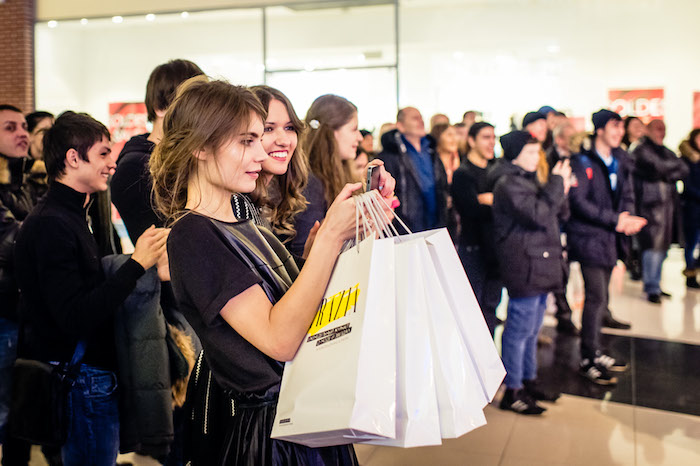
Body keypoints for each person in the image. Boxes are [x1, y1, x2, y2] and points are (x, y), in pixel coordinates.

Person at [150, 78, 363, 465]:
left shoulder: (242, 217)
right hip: (275, 435)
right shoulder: (193, 235)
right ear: (200, 146)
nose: (261, 153)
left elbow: (290, 309)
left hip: (299, 417)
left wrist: (325, 250)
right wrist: (329, 241)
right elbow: (279, 340)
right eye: (246, 141)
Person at [13, 111, 169, 465]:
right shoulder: (52, 224)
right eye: (103, 153)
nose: (112, 163)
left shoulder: (69, 215)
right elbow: (75, 316)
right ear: (73, 158)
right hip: (80, 380)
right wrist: (136, 265)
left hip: (87, 376)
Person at [567, 109, 646, 385]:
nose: (619, 132)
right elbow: (578, 201)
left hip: (611, 238)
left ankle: (596, 351)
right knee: (596, 297)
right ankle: (588, 357)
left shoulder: (621, 160)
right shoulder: (582, 161)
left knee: (601, 298)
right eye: (614, 127)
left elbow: (627, 194)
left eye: (621, 127)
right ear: (599, 129)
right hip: (589, 238)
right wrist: (615, 220)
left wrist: (627, 218)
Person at [493, 130, 570, 415]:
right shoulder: (508, 183)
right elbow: (538, 215)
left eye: (537, 152)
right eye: (529, 152)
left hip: (540, 262)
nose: (536, 158)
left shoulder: (530, 179)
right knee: (518, 331)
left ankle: (528, 381)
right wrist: (558, 184)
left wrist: (561, 187)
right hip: (524, 265)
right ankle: (512, 390)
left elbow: (558, 213)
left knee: (532, 329)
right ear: (514, 154)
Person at [111, 59, 204, 243]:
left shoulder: (186, 157)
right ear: (160, 107)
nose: (200, 114)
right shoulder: (134, 168)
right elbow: (168, 243)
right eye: (193, 104)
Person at [451, 122, 502, 335]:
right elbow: (471, 210)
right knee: (473, 309)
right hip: (474, 248)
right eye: (485, 137)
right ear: (471, 141)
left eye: (493, 137)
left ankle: (489, 352)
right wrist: (497, 204)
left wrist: (492, 201)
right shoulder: (463, 174)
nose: (491, 142)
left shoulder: (496, 169)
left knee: (491, 307)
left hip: (496, 248)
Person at [632, 119, 689, 303]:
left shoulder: (665, 151)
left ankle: (655, 284)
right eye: (657, 129)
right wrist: (667, 172)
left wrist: (664, 172)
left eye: (663, 129)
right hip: (650, 206)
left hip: (667, 207)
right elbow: (657, 167)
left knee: (662, 249)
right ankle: (651, 287)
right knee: (652, 247)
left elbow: (683, 169)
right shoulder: (641, 150)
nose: (661, 132)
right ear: (648, 130)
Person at [378, 107, 448, 232]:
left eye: (421, 117)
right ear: (400, 126)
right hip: (407, 226)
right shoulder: (391, 155)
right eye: (415, 118)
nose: (421, 121)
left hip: (435, 222)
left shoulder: (431, 150)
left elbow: (442, 183)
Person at [544, 121, 579, 336]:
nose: (575, 141)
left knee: (565, 270)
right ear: (559, 139)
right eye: (570, 137)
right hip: (554, 221)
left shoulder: (577, 159)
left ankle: (563, 310)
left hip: (571, 219)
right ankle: (563, 313)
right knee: (558, 270)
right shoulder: (548, 160)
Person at [679, 129, 700, 289]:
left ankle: (693, 268)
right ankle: (690, 273)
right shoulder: (687, 159)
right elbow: (687, 185)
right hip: (692, 207)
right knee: (691, 242)